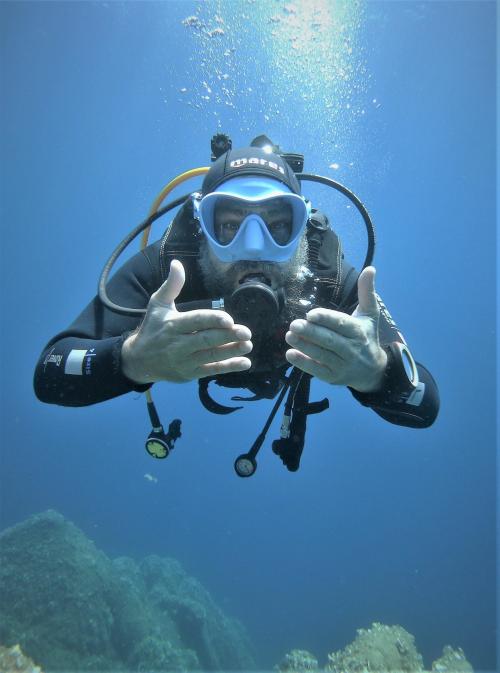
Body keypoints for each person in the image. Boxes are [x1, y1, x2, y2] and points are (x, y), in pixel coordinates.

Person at [34, 135, 439, 476]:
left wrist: (376, 372)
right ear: (200, 225)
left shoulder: (331, 276)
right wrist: (132, 359)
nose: (254, 247)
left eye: (278, 225)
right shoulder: (171, 266)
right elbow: (51, 370)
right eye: (228, 225)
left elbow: (425, 402)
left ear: (303, 227)